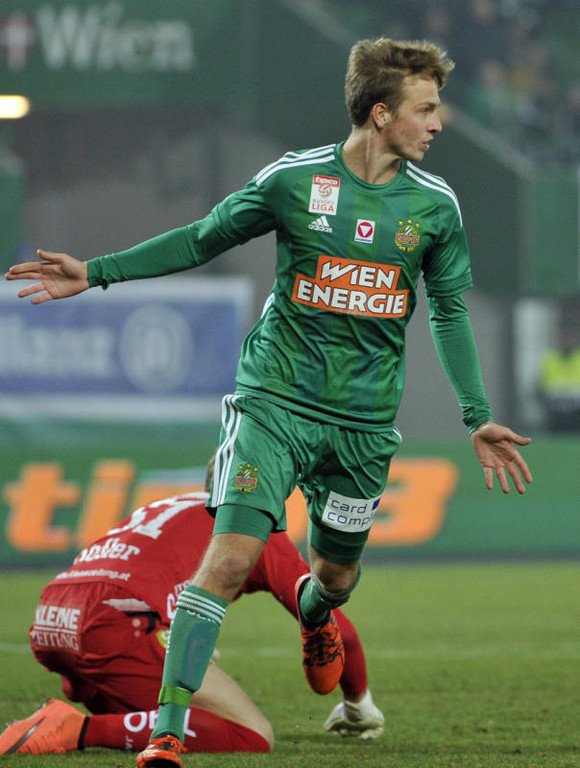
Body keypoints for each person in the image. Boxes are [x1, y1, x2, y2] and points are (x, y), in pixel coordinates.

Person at [5, 37, 533, 768]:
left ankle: (315, 614)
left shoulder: (435, 207)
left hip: (363, 426)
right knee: (226, 562)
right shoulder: (294, 181)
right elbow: (202, 239)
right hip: (273, 404)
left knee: (334, 581)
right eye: (426, 108)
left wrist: (476, 416)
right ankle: (166, 732)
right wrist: (96, 272)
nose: (438, 123)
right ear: (381, 113)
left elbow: (448, 311)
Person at [0, 483, 384, 756]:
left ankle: (99, 703)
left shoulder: (175, 505)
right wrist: (358, 703)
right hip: (115, 621)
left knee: (181, 685)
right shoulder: (256, 529)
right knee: (250, 734)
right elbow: (333, 627)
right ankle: (77, 729)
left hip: (54, 612)